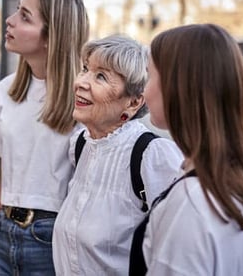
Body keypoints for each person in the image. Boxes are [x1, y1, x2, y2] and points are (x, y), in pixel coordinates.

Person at [129, 23, 243, 275]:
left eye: (150, 75)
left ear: (179, 88)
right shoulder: (235, 182)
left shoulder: (192, 203)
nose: (143, 89)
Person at [51, 34, 183, 275]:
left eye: (101, 76)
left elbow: (178, 252)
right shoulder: (81, 145)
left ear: (133, 103)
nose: (81, 82)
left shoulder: (151, 156)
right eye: (85, 69)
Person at [0, 0, 89, 275]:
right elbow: (4, 165)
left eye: (25, 16)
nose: (10, 20)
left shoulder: (82, 99)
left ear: (51, 37)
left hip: (50, 239)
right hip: (1, 233)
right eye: (17, 11)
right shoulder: (5, 90)